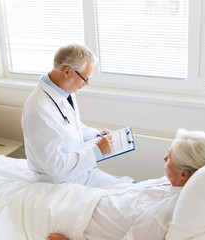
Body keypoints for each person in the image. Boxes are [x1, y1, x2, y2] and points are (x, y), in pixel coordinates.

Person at [47, 129, 205, 240]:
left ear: (184, 174)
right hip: (86, 199)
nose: (164, 159)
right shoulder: (172, 183)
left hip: (76, 220)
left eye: (170, 158)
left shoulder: (160, 213)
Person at [21, 44, 133, 188]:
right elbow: (54, 166)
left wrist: (97, 136)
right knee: (127, 193)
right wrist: (96, 151)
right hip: (61, 183)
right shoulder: (38, 110)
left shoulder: (65, 91)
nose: (87, 83)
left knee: (130, 184)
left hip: (80, 173)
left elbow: (71, 126)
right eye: (85, 78)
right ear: (67, 71)